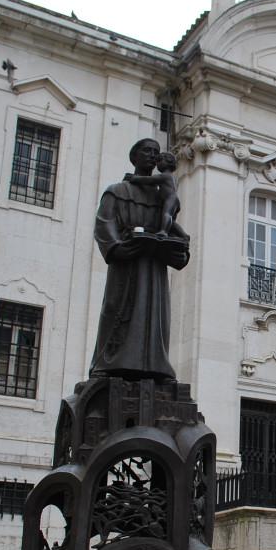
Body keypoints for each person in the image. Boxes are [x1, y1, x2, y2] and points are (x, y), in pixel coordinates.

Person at [90, 139, 190, 381]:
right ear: (134, 157)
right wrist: (118, 248)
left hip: (154, 266)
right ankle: (108, 362)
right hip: (126, 265)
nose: (152, 155)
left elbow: (173, 231)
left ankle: (156, 366)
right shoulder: (117, 191)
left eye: (156, 152)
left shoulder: (162, 197)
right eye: (147, 150)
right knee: (117, 310)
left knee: (155, 316)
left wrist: (180, 251)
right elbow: (104, 226)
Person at [124, 149, 181, 237]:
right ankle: (183, 235)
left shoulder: (165, 176)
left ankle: (164, 231)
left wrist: (134, 178)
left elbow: (149, 180)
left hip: (170, 199)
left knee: (167, 214)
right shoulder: (169, 177)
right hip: (172, 199)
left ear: (167, 162)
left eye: (159, 161)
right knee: (170, 220)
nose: (156, 164)